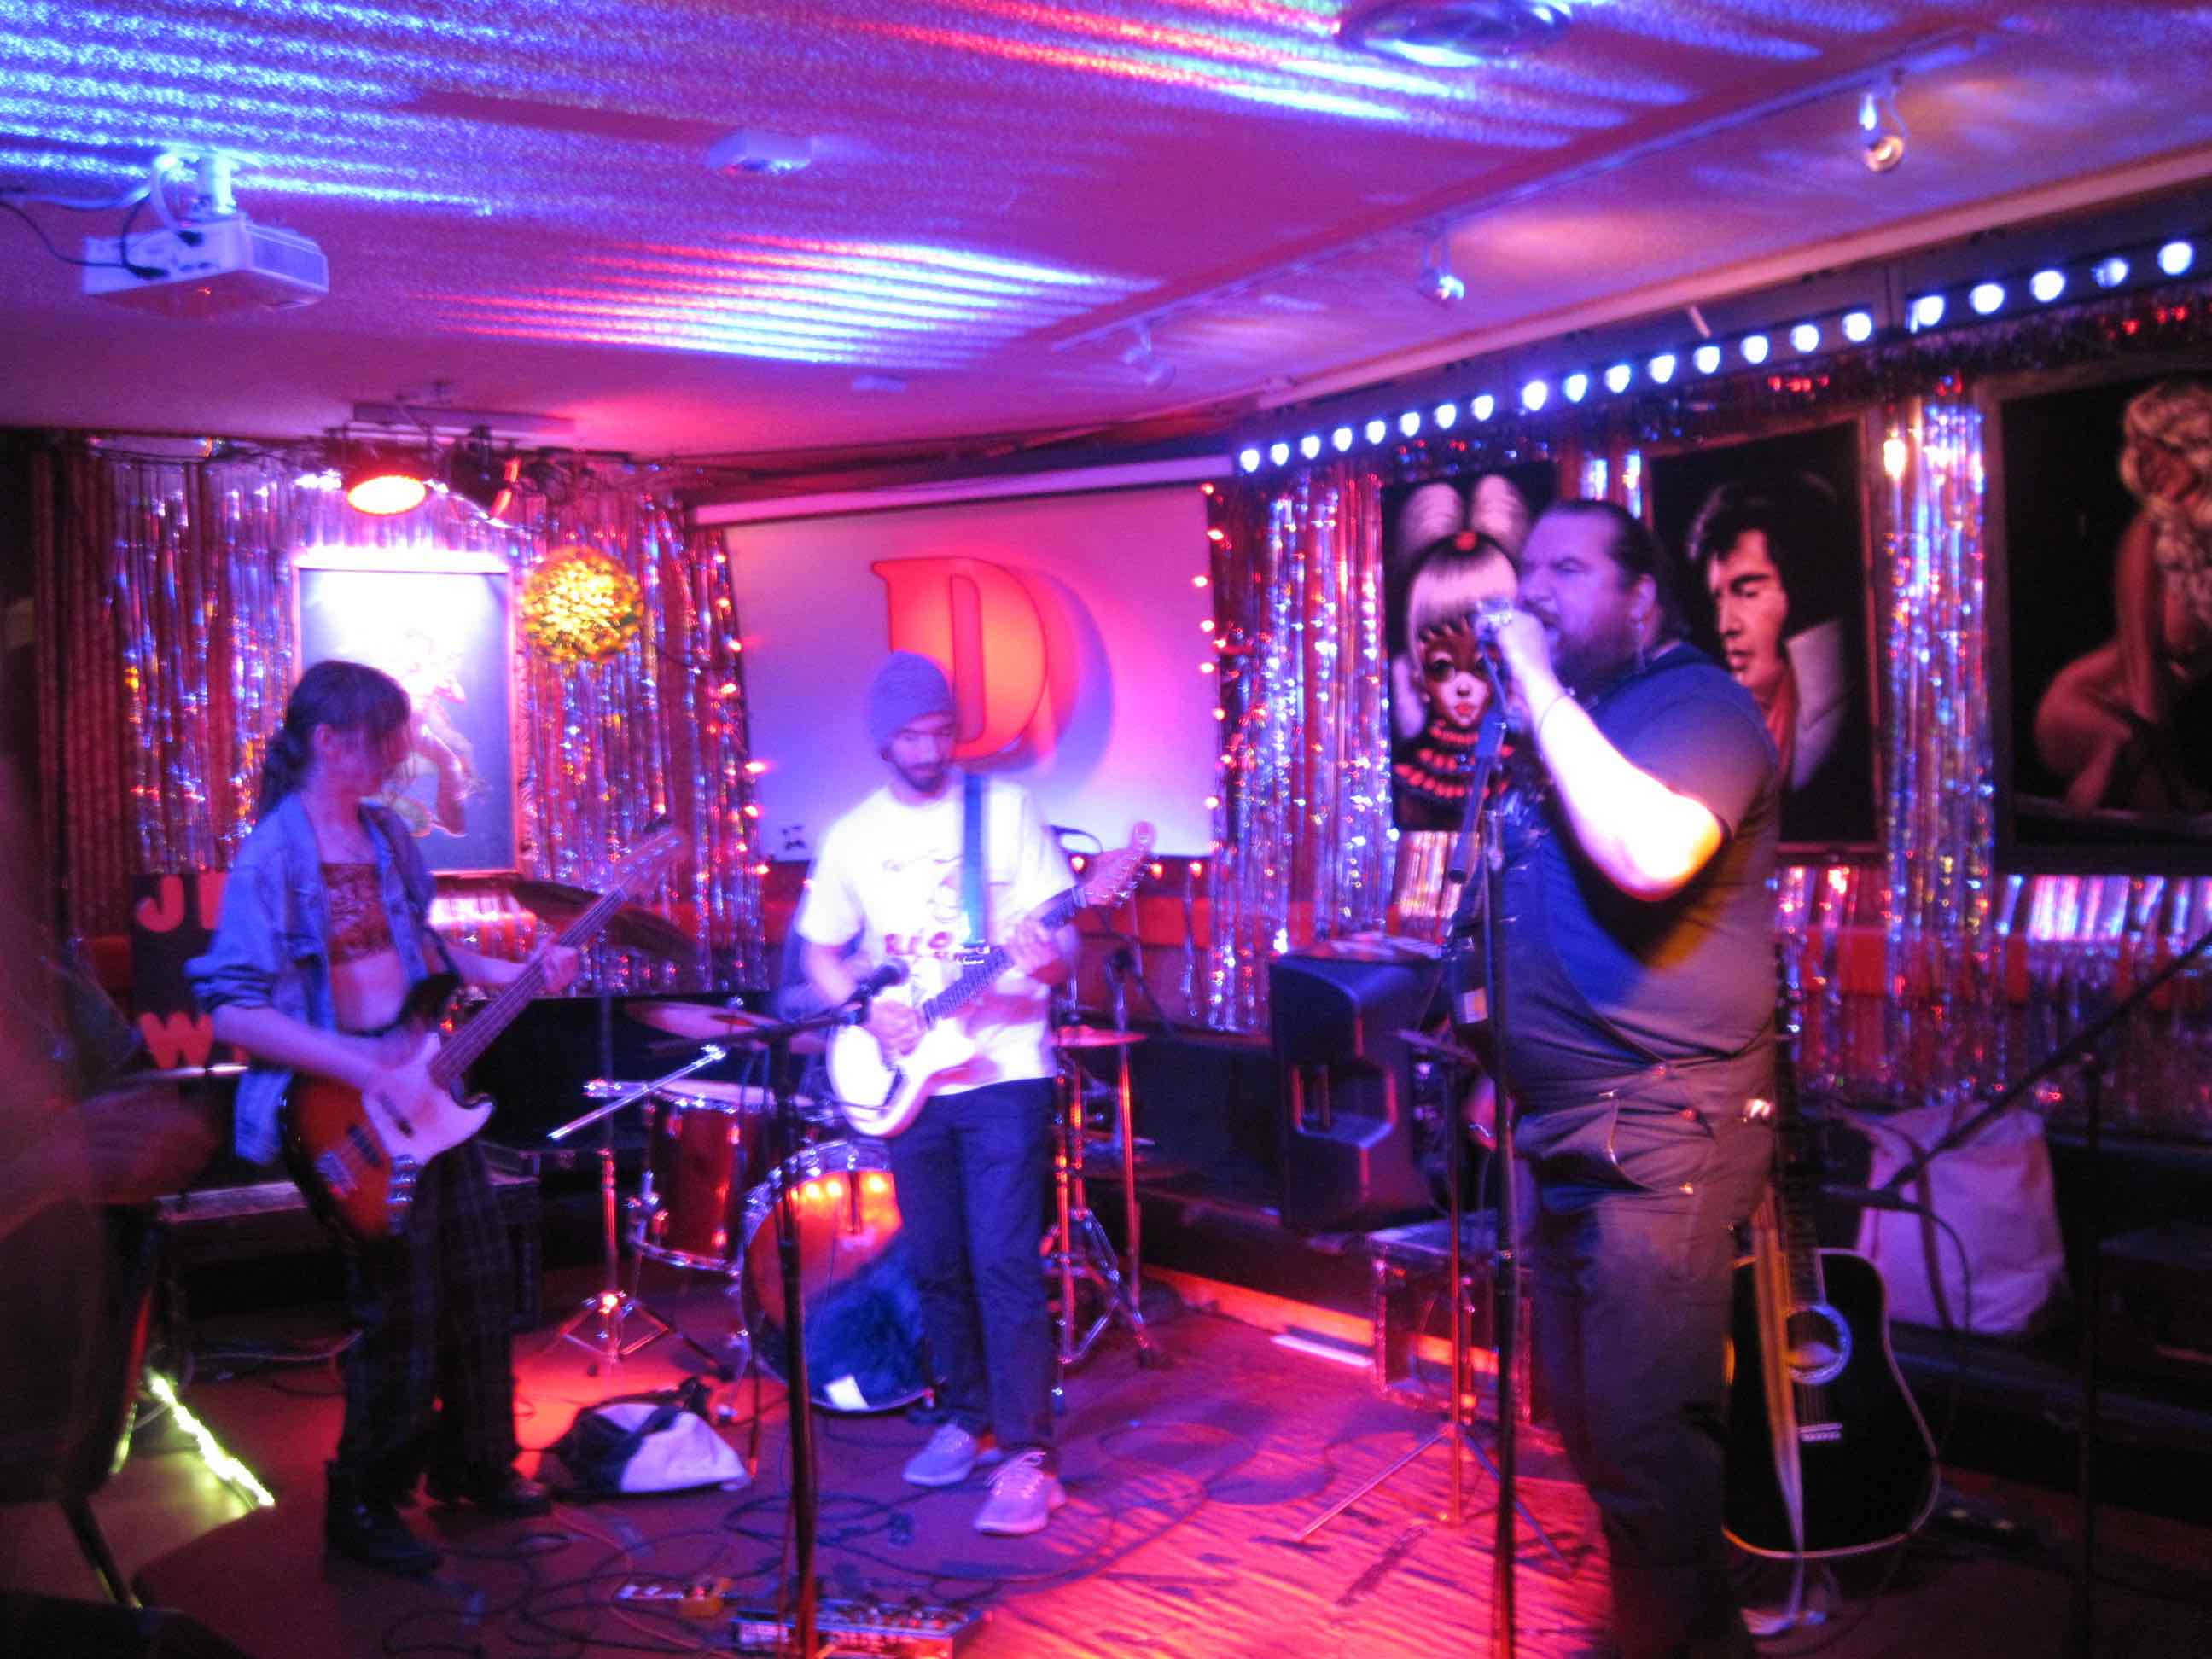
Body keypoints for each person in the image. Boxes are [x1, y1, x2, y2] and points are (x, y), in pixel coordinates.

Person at [187, 661, 579, 1577]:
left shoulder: (387, 835)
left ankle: (474, 1464)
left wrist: (516, 971)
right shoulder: (273, 856)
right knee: (399, 1309)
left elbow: (423, 952)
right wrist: (369, 1069)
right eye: (384, 737)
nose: (400, 754)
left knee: (480, 1283)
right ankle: (362, 1501)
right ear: (329, 741)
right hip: (342, 1107)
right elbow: (233, 1008)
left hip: (423, 1092)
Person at [1481, 501, 1780, 1659]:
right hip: (1564, 1122)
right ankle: (1673, 1637)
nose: (1536, 590)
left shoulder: (1697, 705)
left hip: (1664, 1121)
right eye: (1530, 569)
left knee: (1648, 1440)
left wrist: (1533, 683)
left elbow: (1652, 857)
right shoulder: (1586, 720)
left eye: (1566, 568)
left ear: (1642, 596)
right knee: (1595, 1426)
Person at [795, 651, 1074, 1536]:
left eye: (941, 732)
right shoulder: (854, 835)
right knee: (937, 1262)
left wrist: (1046, 960)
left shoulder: (1007, 812)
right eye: (911, 736)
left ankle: (1028, 1458)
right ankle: (965, 1417)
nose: (928, 750)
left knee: (1004, 1261)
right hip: (910, 1080)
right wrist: (864, 1009)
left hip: (1004, 1069)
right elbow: (820, 952)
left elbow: (1062, 952)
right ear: (883, 741)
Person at [2034, 378, 2212, 812]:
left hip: (2144, 724)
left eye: (2156, 452)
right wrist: (2177, 787)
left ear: (2191, 444)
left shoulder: (2200, 542)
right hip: (2083, 706)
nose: (2147, 469)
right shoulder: (2147, 536)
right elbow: (2142, 676)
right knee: (2126, 752)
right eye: (2139, 457)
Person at [1685, 472, 1869, 840]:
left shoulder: (1841, 732)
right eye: (1719, 599)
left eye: (1748, 592)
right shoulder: (1725, 735)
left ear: (1802, 592)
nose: (1725, 625)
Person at [1392, 529, 1521, 830]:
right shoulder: (1410, 779)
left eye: (1482, 666)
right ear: (1418, 672)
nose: (1463, 687)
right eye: (1442, 667)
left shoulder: (1522, 773)